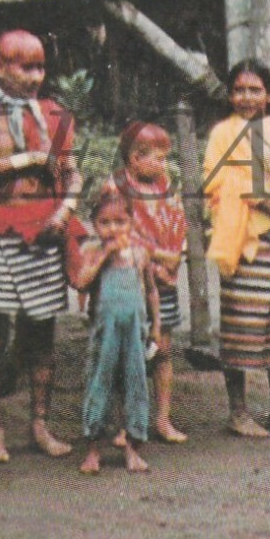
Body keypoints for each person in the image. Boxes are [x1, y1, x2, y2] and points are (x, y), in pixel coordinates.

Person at [0, 29, 83, 461]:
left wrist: (64, 212)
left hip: (45, 232)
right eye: (24, 67)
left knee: (42, 336)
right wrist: (29, 159)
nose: (34, 77)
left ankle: (40, 425)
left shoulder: (55, 113)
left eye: (40, 67)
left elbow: (71, 172)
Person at [202, 59, 270, 437]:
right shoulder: (222, 133)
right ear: (230, 95)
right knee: (241, 327)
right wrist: (260, 198)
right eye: (239, 90)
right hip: (246, 239)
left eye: (255, 90)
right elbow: (214, 182)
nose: (246, 97)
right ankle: (238, 412)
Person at [103, 121, 189, 443]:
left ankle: (163, 419)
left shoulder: (166, 187)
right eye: (157, 157)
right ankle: (125, 424)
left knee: (163, 349)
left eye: (165, 158)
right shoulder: (115, 188)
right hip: (129, 280)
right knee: (128, 352)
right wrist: (156, 255)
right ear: (135, 158)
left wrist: (173, 257)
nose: (163, 164)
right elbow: (115, 232)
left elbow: (179, 226)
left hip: (163, 280)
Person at [70, 188, 161, 475]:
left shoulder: (140, 254)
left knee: (135, 384)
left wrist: (156, 326)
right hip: (105, 333)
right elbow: (81, 282)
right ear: (94, 225)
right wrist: (104, 255)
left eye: (120, 222)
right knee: (99, 383)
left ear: (131, 222)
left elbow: (151, 291)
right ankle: (93, 450)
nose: (113, 229)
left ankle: (133, 448)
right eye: (105, 223)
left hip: (134, 332)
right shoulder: (93, 252)